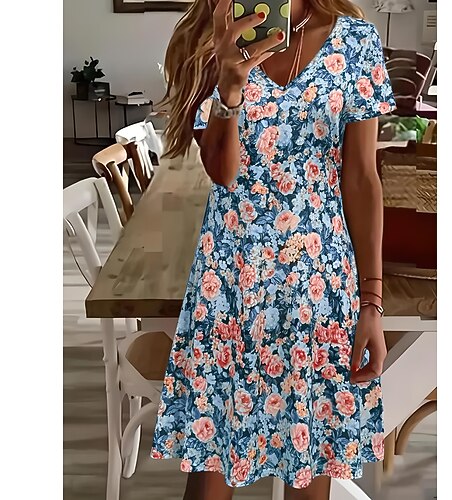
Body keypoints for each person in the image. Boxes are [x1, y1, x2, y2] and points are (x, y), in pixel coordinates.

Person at [150, 0, 396, 498]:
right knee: (212, 468)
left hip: (320, 283)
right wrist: (229, 88)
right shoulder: (209, 38)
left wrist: (371, 301)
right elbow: (223, 173)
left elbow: (361, 178)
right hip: (230, 279)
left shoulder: (355, 41)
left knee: (311, 463)